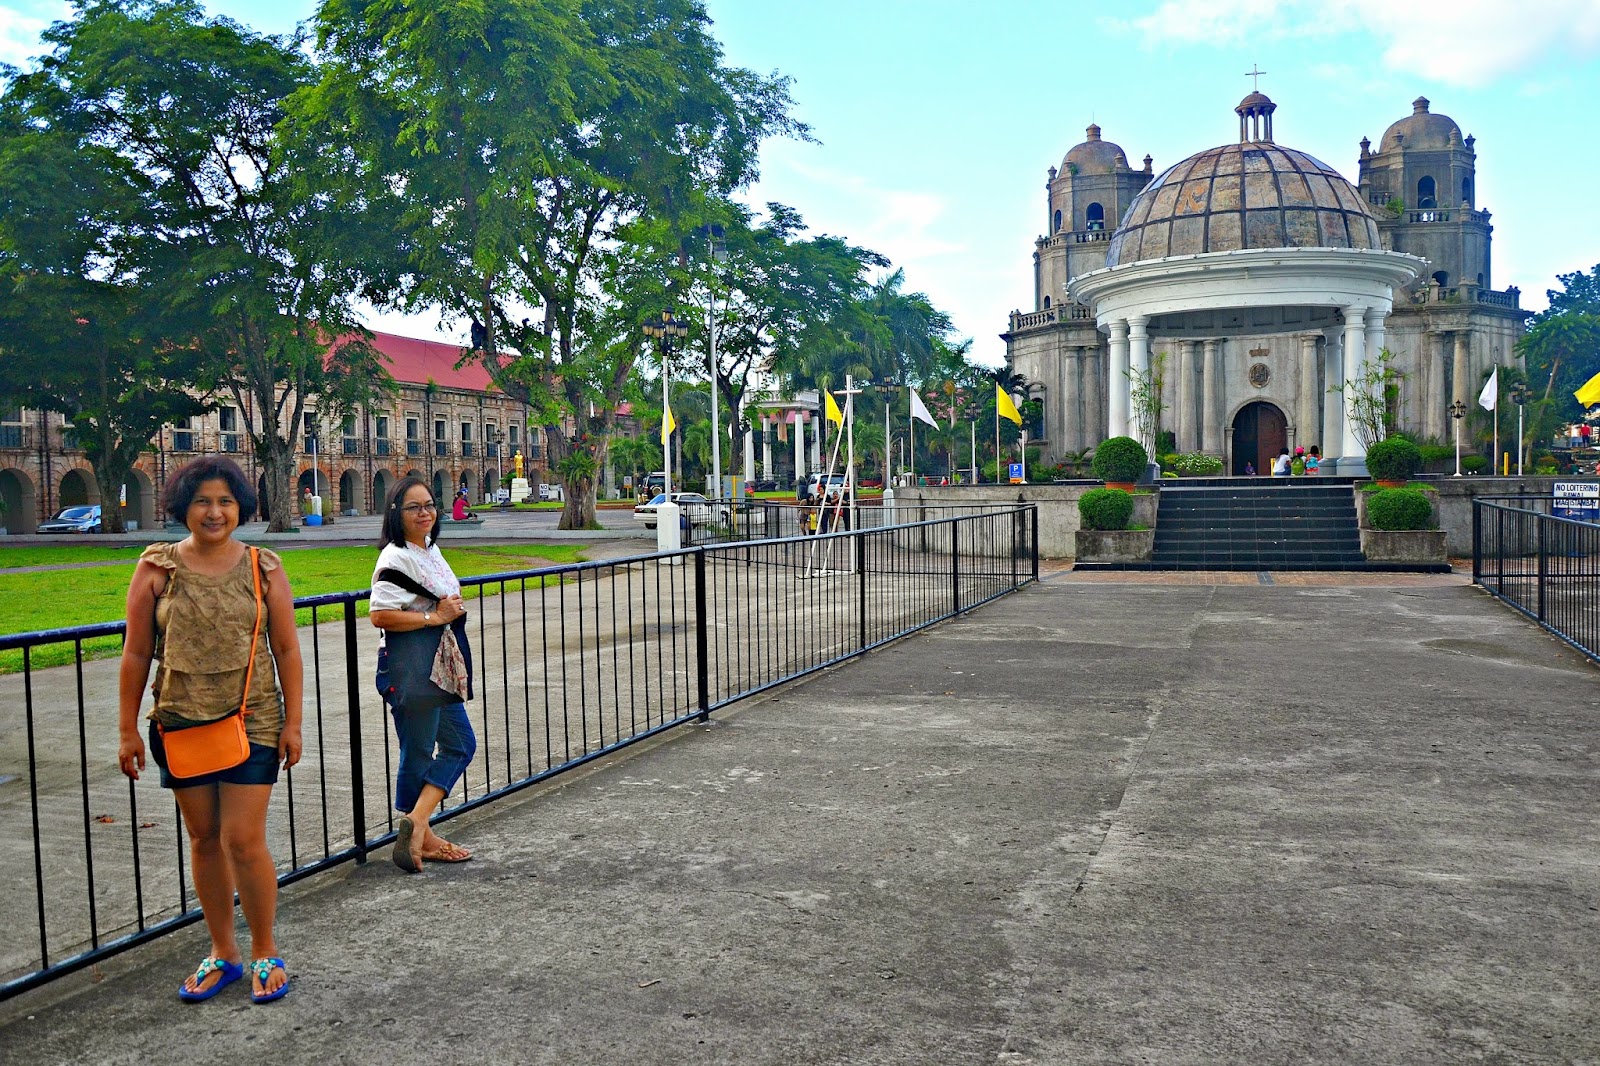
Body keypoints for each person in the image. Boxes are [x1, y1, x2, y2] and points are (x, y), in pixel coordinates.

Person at [118, 456, 302, 1004]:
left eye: (225, 501)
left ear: (240, 506)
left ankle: (266, 948)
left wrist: (293, 722)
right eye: (202, 501)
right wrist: (127, 730)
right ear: (184, 508)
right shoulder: (157, 568)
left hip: (254, 718)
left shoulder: (262, 567)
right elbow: (135, 653)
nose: (214, 511)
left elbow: (287, 648)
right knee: (203, 841)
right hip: (180, 717)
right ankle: (224, 950)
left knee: (242, 841)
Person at [370, 477, 476, 873]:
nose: (425, 512)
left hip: (438, 667)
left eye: (429, 505)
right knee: (421, 750)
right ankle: (421, 832)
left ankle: (417, 825)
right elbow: (380, 615)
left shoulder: (429, 549)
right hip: (412, 666)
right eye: (414, 507)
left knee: (458, 744)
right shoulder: (395, 557)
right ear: (396, 513)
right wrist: (435, 616)